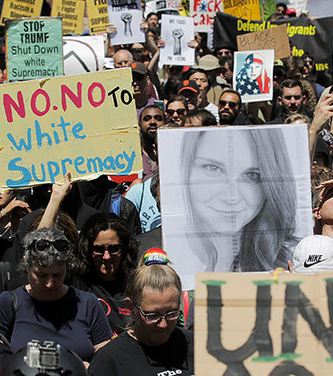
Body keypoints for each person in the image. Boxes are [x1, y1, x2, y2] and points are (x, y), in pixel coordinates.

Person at [178, 127, 300, 272]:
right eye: (213, 168)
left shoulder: (293, 260)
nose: (231, 196)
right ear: (187, 168)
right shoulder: (167, 253)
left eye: (251, 175)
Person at [0, 228, 113, 365]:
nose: (49, 284)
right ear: (27, 266)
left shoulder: (88, 304)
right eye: (41, 275)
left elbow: (106, 359)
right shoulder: (8, 303)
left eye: (57, 275)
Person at [87, 263, 193, 375]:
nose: (163, 324)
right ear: (131, 306)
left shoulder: (195, 345)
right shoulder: (109, 360)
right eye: (152, 316)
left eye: (171, 313)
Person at [76, 217, 140, 335]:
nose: (106, 256)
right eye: (99, 249)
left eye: (114, 249)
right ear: (87, 250)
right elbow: (38, 247)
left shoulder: (136, 285)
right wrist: (55, 200)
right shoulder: (78, 283)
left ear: (124, 249)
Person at [139, 105, 164, 180]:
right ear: (139, 126)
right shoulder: (133, 155)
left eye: (158, 119)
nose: (153, 122)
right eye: (147, 119)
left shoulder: (173, 154)